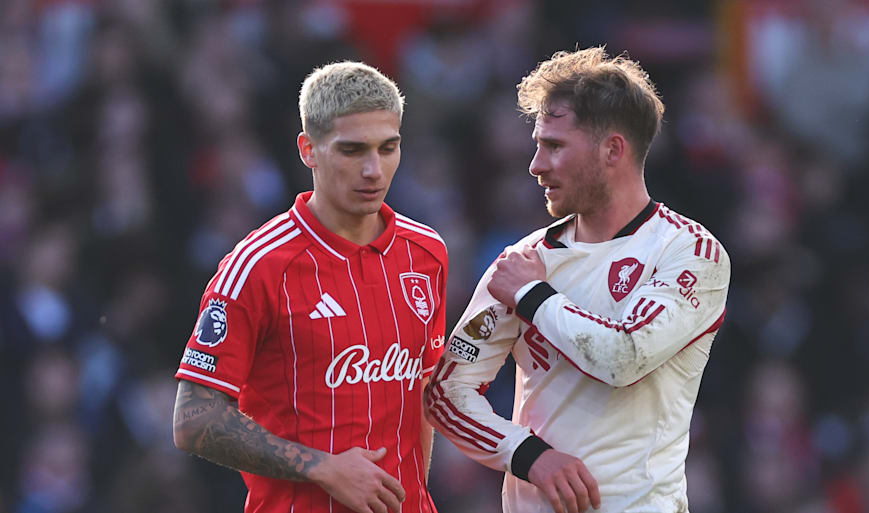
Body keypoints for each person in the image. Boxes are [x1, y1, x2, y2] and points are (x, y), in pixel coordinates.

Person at [425, 47, 730, 513]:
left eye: (554, 146)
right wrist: (529, 456)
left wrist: (533, 297)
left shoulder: (689, 253)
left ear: (612, 150)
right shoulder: (523, 260)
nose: (535, 165)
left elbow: (625, 359)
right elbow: (447, 395)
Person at [172, 61, 448, 513]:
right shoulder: (257, 267)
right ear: (308, 150)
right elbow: (192, 419)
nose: (374, 170)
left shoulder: (427, 252)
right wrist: (321, 467)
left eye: (388, 147)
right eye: (353, 150)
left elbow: (421, 392)